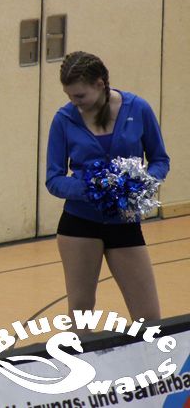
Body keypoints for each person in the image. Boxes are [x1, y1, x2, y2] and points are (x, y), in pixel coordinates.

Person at [46, 51, 169, 321]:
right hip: (79, 225)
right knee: (81, 312)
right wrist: (92, 189)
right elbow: (53, 179)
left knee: (148, 316)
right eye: (69, 96)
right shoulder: (64, 119)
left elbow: (160, 160)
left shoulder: (138, 109)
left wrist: (143, 184)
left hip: (124, 223)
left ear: (100, 84)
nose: (74, 103)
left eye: (80, 96)